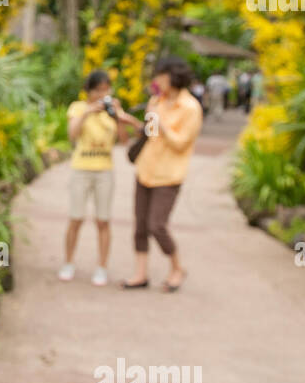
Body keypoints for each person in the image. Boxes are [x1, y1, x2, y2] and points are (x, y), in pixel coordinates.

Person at [123, 56, 203, 292]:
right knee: (140, 225)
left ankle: (177, 268)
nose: (157, 80)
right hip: (145, 169)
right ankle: (140, 273)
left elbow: (181, 143)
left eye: (160, 75)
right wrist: (135, 121)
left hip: (169, 174)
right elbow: (149, 132)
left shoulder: (190, 108)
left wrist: (162, 125)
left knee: (157, 225)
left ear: (172, 77)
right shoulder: (157, 100)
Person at [60, 70, 143, 286]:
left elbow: (124, 141)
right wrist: (89, 112)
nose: (102, 94)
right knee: (75, 218)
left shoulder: (113, 111)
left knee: (103, 220)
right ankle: (68, 262)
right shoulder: (78, 108)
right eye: (98, 90)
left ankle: (102, 267)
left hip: (105, 170)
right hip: (81, 168)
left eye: (106, 90)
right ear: (89, 90)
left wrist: (118, 117)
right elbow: (72, 134)